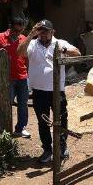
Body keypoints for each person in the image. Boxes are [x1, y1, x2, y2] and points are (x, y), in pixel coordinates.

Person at [17, 19, 80, 164]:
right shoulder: (33, 44)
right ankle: (47, 149)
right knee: (42, 121)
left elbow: (77, 53)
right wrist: (31, 34)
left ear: (52, 32)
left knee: (61, 119)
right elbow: (19, 52)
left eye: (46, 31)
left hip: (57, 91)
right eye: (41, 31)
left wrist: (63, 50)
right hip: (39, 91)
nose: (43, 34)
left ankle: (62, 146)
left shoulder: (60, 43)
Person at [0, 16, 30, 138]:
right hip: (7, 78)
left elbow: (26, 58)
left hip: (22, 76)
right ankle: (2, 123)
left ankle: (20, 128)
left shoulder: (23, 38)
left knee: (23, 103)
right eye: (16, 30)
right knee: (7, 101)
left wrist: (28, 73)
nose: (18, 33)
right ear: (10, 26)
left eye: (21, 30)